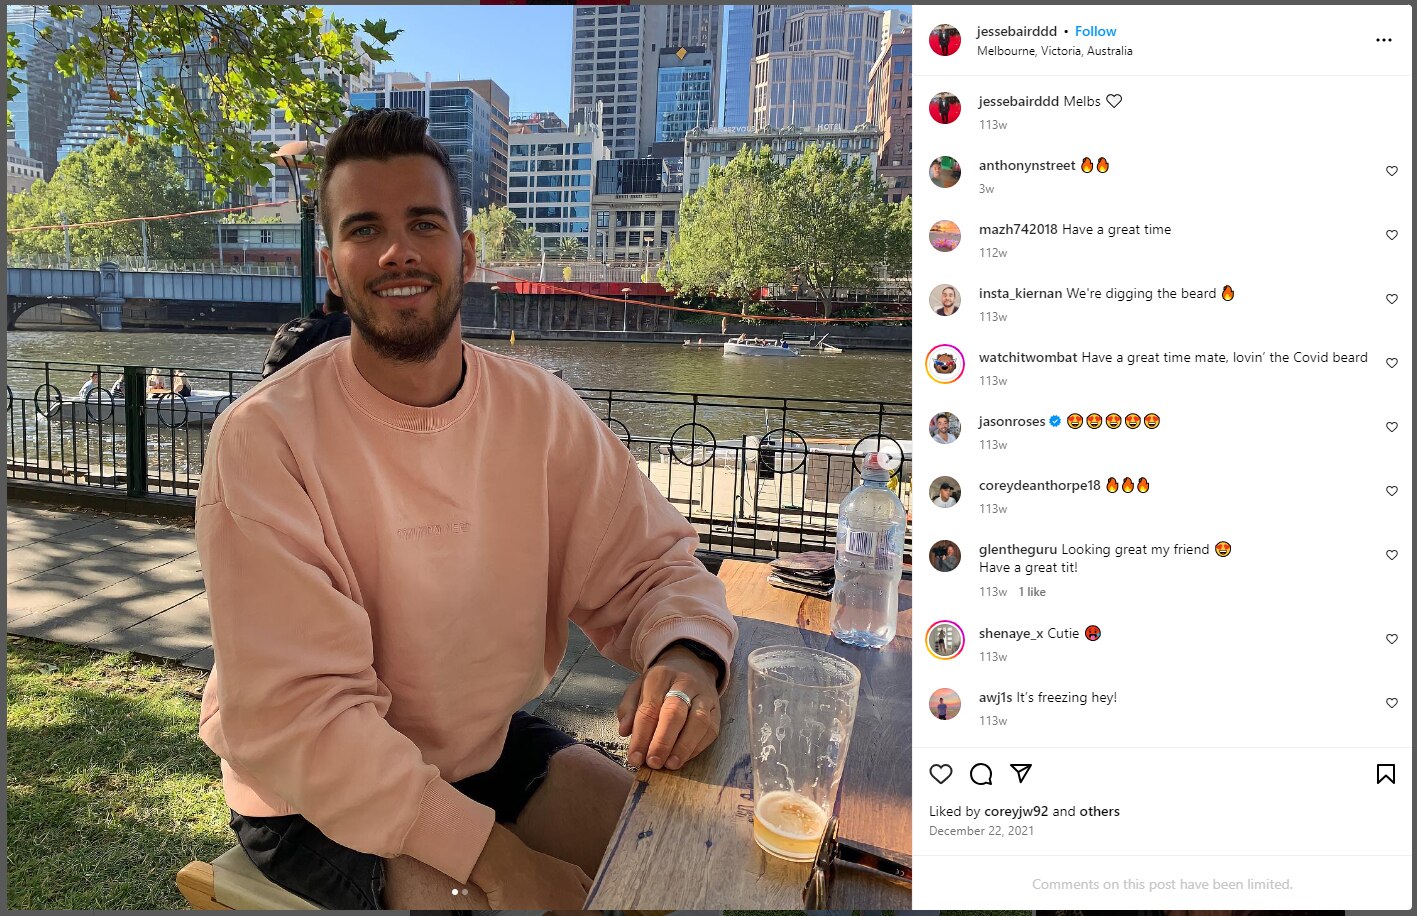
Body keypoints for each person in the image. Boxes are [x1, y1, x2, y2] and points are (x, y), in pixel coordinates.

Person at [195, 109, 737, 912]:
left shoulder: (538, 409)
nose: (397, 251)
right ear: (332, 269)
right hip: (311, 794)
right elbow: (305, 717)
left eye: (423, 222)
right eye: (364, 229)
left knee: (681, 858)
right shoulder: (263, 439)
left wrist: (687, 654)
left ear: (466, 251)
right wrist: (505, 865)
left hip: (476, 747)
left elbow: (648, 563)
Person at [262, 289, 354, 378]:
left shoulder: (297, 323)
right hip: (297, 381)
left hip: (269, 376)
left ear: (324, 308)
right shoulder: (345, 325)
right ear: (347, 308)